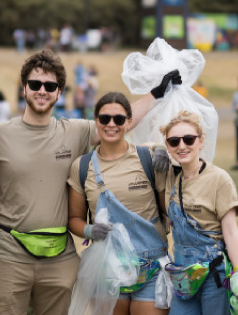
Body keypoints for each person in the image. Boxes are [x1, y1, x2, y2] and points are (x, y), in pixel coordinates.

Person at [0, 49, 181, 315]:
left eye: (50, 86)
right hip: (9, 253)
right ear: (24, 89)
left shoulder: (73, 131)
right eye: (35, 84)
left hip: (59, 257)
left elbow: (117, 125)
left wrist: (156, 95)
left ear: (59, 92)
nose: (42, 90)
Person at [68, 92, 168, 315]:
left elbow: (169, 210)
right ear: (96, 121)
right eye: (104, 119)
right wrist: (89, 229)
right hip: (107, 269)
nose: (111, 124)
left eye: (119, 119)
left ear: (129, 122)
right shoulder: (82, 167)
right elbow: (73, 219)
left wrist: (165, 151)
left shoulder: (148, 159)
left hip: (151, 268)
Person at [159, 110, 238, 315]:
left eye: (189, 139)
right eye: (174, 141)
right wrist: (157, 151)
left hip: (213, 275)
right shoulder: (170, 176)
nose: (181, 146)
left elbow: (231, 231)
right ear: (168, 146)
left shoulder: (219, 179)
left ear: (201, 142)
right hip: (182, 276)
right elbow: (139, 147)